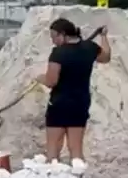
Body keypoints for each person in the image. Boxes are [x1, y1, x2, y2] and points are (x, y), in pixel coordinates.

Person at [40, 19, 111, 162]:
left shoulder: (58, 53)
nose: (53, 41)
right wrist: (103, 36)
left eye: (54, 37)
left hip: (59, 104)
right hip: (80, 103)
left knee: (54, 147)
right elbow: (106, 57)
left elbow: (51, 81)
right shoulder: (89, 47)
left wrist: (40, 78)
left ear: (63, 34)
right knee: (76, 148)